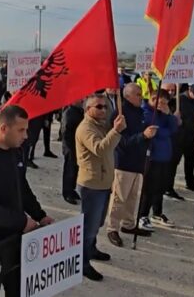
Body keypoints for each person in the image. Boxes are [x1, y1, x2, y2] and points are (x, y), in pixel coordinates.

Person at [0, 105, 53, 297]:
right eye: (21, 130)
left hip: (16, 241)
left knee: (18, 290)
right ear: (4, 128)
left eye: (27, 129)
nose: (26, 135)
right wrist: (22, 221)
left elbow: (22, 186)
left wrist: (40, 215)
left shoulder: (17, 151)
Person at [76, 94, 126, 281]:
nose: (104, 110)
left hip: (103, 182)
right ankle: (83, 263)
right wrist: (116, 131)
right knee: (89, 227)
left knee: (97, 223)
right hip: (92, 185)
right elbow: (100, 148)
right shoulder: (86, 128)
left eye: (105, 106)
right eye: (99, 107)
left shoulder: (101, 124)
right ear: (88, 109)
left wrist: (115, 95)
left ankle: (92, 249)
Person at [106, 84, 158, 247]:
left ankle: (128, 224)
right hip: (124, 162)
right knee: (119, 197)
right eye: (137, 94)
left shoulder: (140, 112)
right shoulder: (120, 114)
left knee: (133, 197)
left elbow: (142, 135)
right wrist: (143, 135)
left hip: (139, 161)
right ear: (127, 96)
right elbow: (123, 142)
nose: (141, 97)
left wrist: (148, 136)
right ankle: (112, 227)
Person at [138, 90, 180, 231]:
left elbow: (174, 128)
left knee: (160, 186)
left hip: (164, 155)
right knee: (148, 188)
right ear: (153, 99)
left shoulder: (164, 114)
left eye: (164, 103)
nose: (161, 105)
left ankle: (157, 212)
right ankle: (142, 215)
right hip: (152, 156)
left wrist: (169, 115)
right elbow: (157, 132)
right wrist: (166, 129)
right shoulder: (146, 112)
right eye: (159, 102)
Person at [171, 84, 194, 194]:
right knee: (174, 163)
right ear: (189, 90)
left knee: (190, 162)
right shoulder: (178, 100)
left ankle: (190, 183)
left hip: (192, 136)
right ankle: (169, 186)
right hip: (179, 137)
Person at [61, 102, 85, 205]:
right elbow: (65, 132)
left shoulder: (79, 111)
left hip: (77, 146)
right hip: (70, 147)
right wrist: (69, 149)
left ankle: (72, 189)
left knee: (75, 170)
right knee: (69, 170)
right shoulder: (69, 112)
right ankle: (67, 193)